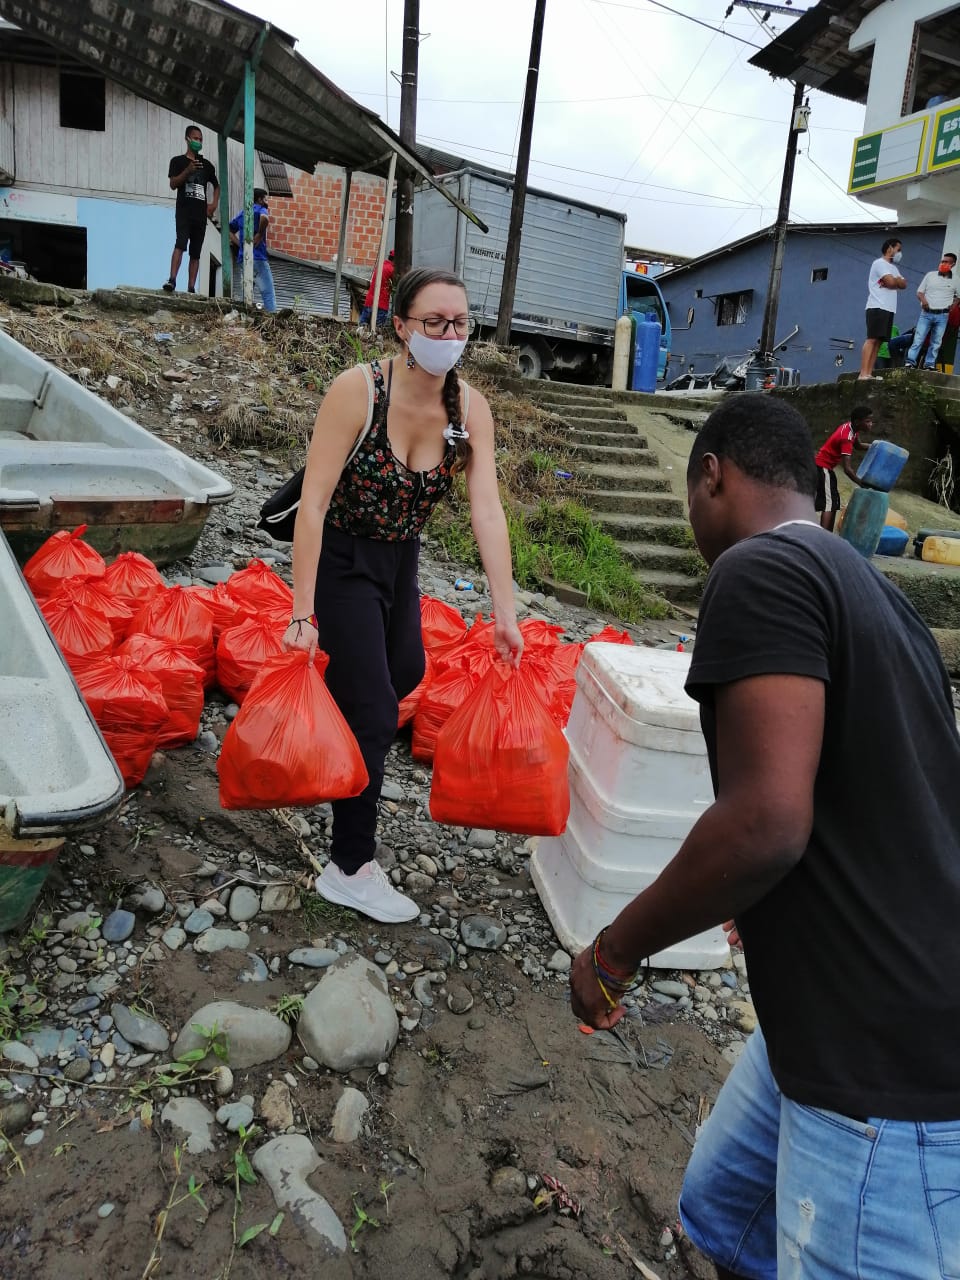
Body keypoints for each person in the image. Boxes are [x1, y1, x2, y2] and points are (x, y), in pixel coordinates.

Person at [570, 394, 960, 1280]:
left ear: (713, 473)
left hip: (880, 1068)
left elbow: (766, 821)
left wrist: (614, 952)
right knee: (721, 1219)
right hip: (814, 1025)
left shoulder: (757, 572)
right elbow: (890, 798)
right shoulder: (879, 600)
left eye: (689, 492)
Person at [282, 268, 523, 923]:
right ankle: (350, 866)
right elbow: (313, 504)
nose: (450, 335)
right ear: (401, 326)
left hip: (401, 557)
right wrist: (302, 611)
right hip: (342, 556)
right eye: (434, 323)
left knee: (405, 672)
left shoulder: (469, 411)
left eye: (460, 323)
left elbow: (487, 509)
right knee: (377, 707)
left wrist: (506, 612)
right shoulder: (358, 391)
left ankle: (340, 741)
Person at [163, 125, 219, 295]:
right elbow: (173, 184)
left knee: (196, 252)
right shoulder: (177, 161)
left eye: (201, 139)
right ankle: (172, 280)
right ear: (187, 139)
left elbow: (217, 186)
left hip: (200, 215)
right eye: (195, 138)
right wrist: (188, 170)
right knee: (180, 244)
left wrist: (213, 204)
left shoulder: (207, 166)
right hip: (184, 212)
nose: (198, 142)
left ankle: (191, 288)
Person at [813, 403, 872, 531]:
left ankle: (825, 535)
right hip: (823, 468)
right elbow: (847, 469)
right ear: (857, 422)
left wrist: (875, 446)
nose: (870, 424)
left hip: (824, 467)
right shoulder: (847, 437)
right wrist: (862, 484)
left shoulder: (851, 428)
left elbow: (859, 446)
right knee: (829, 504)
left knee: (832, 503)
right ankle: (823, 537)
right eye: (867, 421)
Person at [859, 237, 906, 379]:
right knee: (871, 339)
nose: (900, 253)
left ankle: (869, 373)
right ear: (890, 248)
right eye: (898, 249)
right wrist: (895, 281)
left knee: (879, 342)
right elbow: (892, 282)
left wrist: (896, 281)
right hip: (876, 306)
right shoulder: (879, 263)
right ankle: (863, 373)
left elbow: (904, 284)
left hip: (889, 308)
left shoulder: (894, 268)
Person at [905, 251, 959, 370]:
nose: (942, 263)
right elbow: (919, 292)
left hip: (942, 315)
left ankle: (929, 364)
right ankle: (910, 362)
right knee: (918, 339)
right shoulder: (930, 275)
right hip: (926, 313)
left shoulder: (956, 280)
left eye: (946, 262)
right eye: (942, 261)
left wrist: (953, 306)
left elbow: (959, 297)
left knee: (936, 342)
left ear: (953, 264)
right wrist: (924, 301)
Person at [229, 187, 277, 313]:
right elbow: (264, 219)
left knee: (247, 293)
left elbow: (228, 229)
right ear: (260, 199)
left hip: (243, 259)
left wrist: (240, 245)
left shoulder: (243, 214)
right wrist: (260, 234)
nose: (267, 201)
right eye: (265, 198)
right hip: (258, 258)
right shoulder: (261, 209)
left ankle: (244, 316)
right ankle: (272, 320)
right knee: (268, 292)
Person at [359, 250, 395, 328]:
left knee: (362, 328)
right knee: (377, 330)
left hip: (369, 301)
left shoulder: (380, 265)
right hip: (381, 304)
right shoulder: (392, 270)